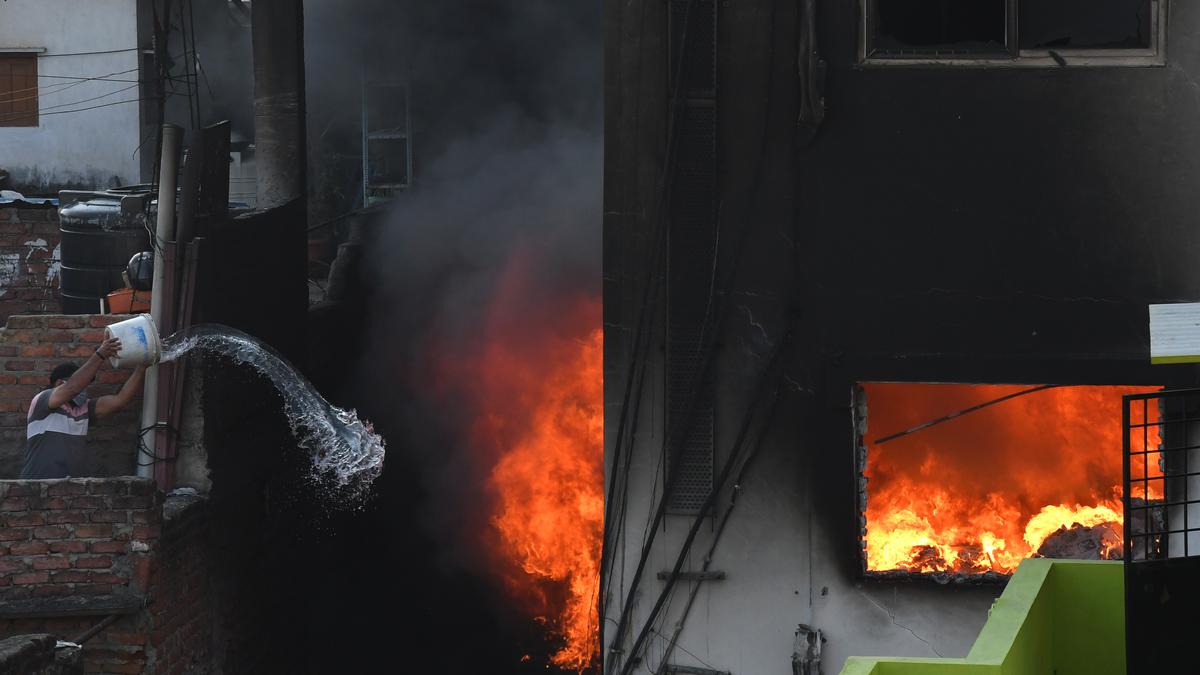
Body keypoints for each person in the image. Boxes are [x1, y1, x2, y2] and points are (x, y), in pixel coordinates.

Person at [19, 335, 146, 479]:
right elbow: (73, 388)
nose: (83, 389)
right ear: (59, 383)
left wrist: (141, 368)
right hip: (36, 485)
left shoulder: (84, 409)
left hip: (71, 488)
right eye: (82, 384)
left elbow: (119, 401)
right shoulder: (42, 400)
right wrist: (100, 354)